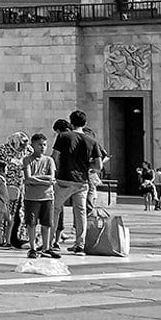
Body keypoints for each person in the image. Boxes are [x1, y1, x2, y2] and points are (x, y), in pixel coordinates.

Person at [51, 110, 102, 253]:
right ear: (85, 123)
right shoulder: (92, 141)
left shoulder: (63, 136)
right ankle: (80, 244)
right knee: (80, 212)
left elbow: (55, 157)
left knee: (55, 209)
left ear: (71, 122)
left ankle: (50, 241)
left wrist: (58, 170)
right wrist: (86, 166)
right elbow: (98, 166)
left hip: (64, 179)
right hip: (82, 182)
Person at [20, 132, 57, 257]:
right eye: (39, 144)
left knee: (47, 224)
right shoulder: (27, 160)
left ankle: (46, 247)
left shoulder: (49, 160)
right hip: (31, 197)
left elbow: (52, 177)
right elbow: (28, 178)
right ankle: (33, 248)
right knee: (31, 223)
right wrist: (45, 180)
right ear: (33, 145)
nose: (42, 147)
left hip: (47, 196)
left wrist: (37, 179)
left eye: (44, 145)